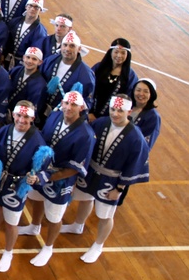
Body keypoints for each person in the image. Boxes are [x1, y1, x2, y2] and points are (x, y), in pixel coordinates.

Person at [62, 94, 151, 263]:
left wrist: (119, 189)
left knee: (105, 214)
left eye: (120, 110)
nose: (115, 114)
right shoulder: (101, 123)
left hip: (111, 180)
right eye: (113, 109)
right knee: (85, 199)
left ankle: (98, 245)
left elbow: (133, 165)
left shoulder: (136, 138)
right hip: (91, 172)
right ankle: (77, 225)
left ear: (129, 112)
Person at [0, 101, 50, 272]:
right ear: (13, 115)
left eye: (26, 117)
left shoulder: (38, 141)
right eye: (19, 115)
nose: (22, 120)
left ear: (32, 118)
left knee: (12, 221)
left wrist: (35, 179)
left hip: (17, 184)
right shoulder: (5, 130)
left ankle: (8, 252)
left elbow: (43, 169)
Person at [19, 90, 96, 266]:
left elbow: (76, 168)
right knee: (36, 199)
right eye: (66, 103)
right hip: (42, 171)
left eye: (74, 105)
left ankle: (48, 247)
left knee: (54, 216)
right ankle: (34, 226)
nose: (68, 108)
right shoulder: (55, 116)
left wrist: (48, 177)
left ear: (81, 107)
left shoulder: (86, 134)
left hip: (61, 178)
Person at [41, 31, 96, 118]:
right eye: (65, 45)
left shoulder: (86, 75)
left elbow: (86, 101)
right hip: (41, 107)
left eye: (72, 46)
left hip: (63, 115)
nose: (67, 49)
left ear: (79, 49)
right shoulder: (50, 61)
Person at [90, 38, 139, 121]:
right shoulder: (99, 68)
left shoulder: (130, 76)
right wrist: (89, 112)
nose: (119, 56)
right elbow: (89, 88)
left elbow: (129, 100)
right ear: (110, 52)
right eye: (116, 52)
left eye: (123, 53)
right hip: (89, 114)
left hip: (113, 119)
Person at [4, 0, 48, 70]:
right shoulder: (14, 22)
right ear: (26, 6)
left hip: (23, 65)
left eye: (36, 7)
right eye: (30, 6)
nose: (32, 9)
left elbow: (35, 52)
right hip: (6, 59)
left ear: (40, 10)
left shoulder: (41, 32)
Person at [7, 48, 49, 123]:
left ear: (40, 62)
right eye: (28, 57)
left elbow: (33, 107)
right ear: (23, 57)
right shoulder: (16, 70)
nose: (29, 61)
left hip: (21, 118)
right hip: (6, 111)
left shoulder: (40, 84)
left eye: (34, 59)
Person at [129, 78, 161, 149]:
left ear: (151, 94)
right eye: (138, 90)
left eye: (146, 91)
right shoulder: (127, 105)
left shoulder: (153, 117)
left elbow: (145, 144)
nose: (141, 94)